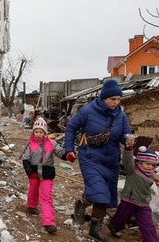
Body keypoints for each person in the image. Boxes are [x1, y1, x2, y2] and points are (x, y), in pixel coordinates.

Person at [64, 79, 133, 242]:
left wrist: (128, 140)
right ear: (104, 98)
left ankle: (94, 228)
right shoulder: (87, 111)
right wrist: (69, 149)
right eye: (113, 99)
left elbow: (125, 133)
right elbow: (71, 127)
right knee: (99, 192)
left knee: (107, 195)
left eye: (118, 99)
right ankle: (82, 203)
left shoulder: (121, 115)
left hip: (111, 161)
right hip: (90, 157)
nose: (116, 103)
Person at [20, 117, 67, 234]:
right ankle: (31, 205)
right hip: (34, 173)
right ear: (33, 132)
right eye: (36, 131)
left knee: (46, 197)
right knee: (33, 189)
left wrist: (67, 156)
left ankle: (49, 222)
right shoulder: (30, 144)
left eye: (41, 132)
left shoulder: (52, 143)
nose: (38, 134)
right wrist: (30, 172)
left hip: (47, 173)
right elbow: (25, 158)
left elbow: (60, 152)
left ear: (45, 132)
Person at [107, 145, 159, 242]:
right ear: (139, 162)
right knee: (121, 217)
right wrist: (128, 149)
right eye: (147, 164)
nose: (150, 167)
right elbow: (127, 160)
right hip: (129, 200)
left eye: (152, 165)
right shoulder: (133, 170)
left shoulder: (151, 175)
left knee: (148, 225)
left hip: (143, 204)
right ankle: (114, 226)